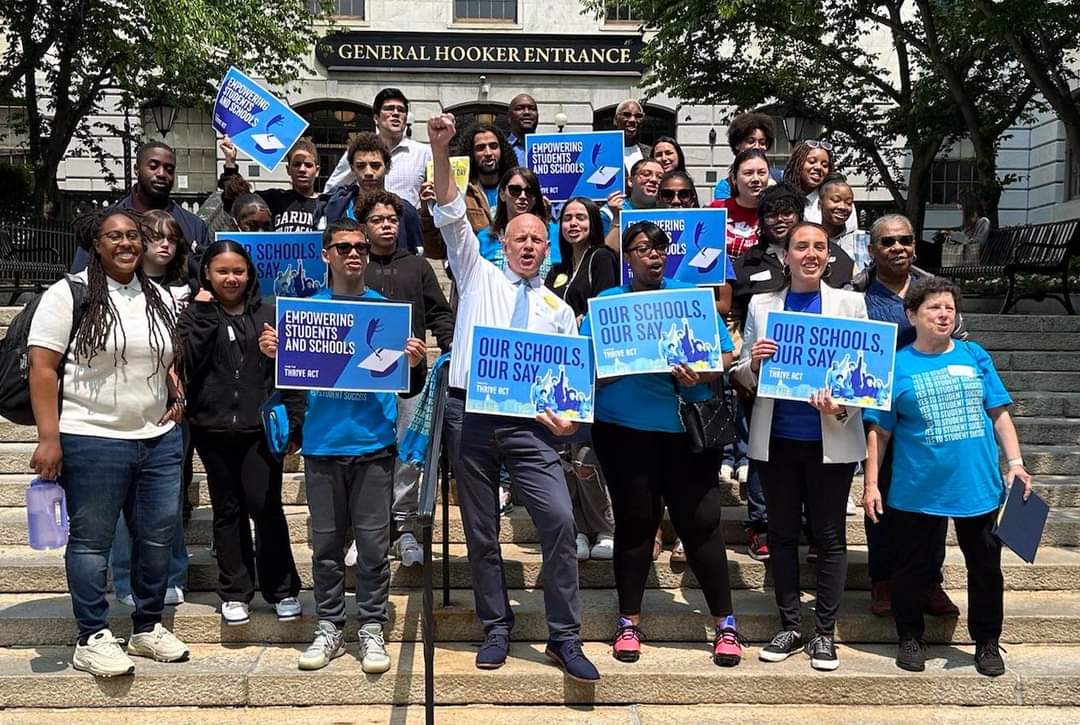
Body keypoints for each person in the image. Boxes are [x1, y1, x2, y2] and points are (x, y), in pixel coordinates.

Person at [429, 112, 600, 683]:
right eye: (518, 236)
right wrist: (440, 147)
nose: (528, 245)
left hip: (531, 427)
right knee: (481, 530)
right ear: (502, 241)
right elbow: (451, 213)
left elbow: (572, 386)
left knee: (555, 519)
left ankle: (564, 636)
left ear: (547, 247)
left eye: (537, 238)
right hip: (470, 418)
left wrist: (569, 423)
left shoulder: (560, 311)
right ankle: (495, 626)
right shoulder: (477, 271)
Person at [258, 218, 426, 673]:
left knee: (373, 548)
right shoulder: (303, 312)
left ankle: (371, 626)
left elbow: (408, 389)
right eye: (344, 246)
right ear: (326, 254)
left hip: (373, 448)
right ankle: (329, 625)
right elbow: (285, 383)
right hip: (322, 448)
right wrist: (273, 355)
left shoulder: (389, 313)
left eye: (361, 248)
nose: (355, 254)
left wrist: (415, 363)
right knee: (326, 549)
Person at [29, 208, 189, 677]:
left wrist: (175, 391)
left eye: (133, 236)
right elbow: (43, 368)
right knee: (92, 543)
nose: (126, 243)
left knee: (158, 537)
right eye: (113, 236)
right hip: (92, 436)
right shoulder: (69, 294)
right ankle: (92, 636)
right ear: (96, 244)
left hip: (157, 439)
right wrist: (48, 438)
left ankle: (146, 627)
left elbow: (162, 354)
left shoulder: (157, 294)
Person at [581, 220, 742, 667]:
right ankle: (628, 620)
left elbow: (725, 355)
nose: (653, 255)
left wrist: (705, 372)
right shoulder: (608, 306)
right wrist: (609, 370)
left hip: (686, 433)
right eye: (642, 248)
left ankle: (725, 623)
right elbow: (584, 365)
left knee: (701, 523)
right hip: (624, 432)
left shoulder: (690, 299)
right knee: (635, 524)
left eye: (659, 248)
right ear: (626, 257)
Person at [863, 277, 1030, 677]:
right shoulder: (896, 365)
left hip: (978, 486)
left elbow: (1000, 414)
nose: (943, 314)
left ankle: (987, 642)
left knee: (986, 568)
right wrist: (871, 483)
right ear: (912, 315)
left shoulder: (975, 355)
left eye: (950, 308)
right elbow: (879, 431)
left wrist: (1017, 463)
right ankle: (910, 636)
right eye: (934, 308)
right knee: (910, 568)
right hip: (915, 488)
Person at [733, 221, 868, 672]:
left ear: (829, 255)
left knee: (829, 537)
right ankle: (791, 624)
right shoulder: (761, 304)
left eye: (819, 247)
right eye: (801, 247)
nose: (810, 253)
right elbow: (744, 377)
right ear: (785, 255)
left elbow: (864, 374)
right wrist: (752, 362)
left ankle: (824, 633)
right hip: (778, 439)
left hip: (830, 438)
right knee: (783, 535)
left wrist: (841, 405)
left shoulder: (851, 303)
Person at [180, 240, 303, 626]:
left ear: (250, 274)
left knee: (266, 507)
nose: (231, 278)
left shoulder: (271, 313)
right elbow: (186, 362)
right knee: (226, 510)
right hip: (211, 428)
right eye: (222, 271)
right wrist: (201, 313)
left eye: (238, 271)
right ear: (207, 275)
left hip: (259, 428)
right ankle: (235, 591)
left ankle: (282, 589)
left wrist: (278, 357)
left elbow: (294, 376)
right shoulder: (195, 314)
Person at [849, 214, 964, 618]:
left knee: (931, 499)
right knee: (880, 497)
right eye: (888, 241)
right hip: (879, 414)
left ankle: (930, 582)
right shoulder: (857, 297)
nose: (898, 247)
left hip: (930, 411)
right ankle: (883, 580)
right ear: (872, 249)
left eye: (906, 240)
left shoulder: (934, 291)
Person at [360, 189, 455, 566]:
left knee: (407, 457)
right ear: (363, 225)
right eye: (378, 220)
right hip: (361, 383)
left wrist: (448, 351)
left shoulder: (418, 267)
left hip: (410, 379)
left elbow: (441, 314)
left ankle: (404, 529)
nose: (386, 226)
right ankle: (367, 530)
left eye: (392, 220)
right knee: (367, 455)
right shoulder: (354, 265)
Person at [110, 210, 194, 609]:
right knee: (123, 504)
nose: (163, 245)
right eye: (155, 237)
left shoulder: (189, 289)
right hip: (119, 409)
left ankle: (174, 573)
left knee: (167, 501)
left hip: (171, 407)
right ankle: (125, 577)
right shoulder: (111, 289)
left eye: (171, 239)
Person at [544, 197, 618, 561]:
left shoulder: (602, 258)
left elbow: (605, 308)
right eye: (567, 218)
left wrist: (581, 321)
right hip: (559, 370)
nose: (573, 223)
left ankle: (604, 527)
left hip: (591, 370)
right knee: (563, 456)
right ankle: (575, 530)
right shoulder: (555, 269)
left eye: (581, 217)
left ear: (593, 221)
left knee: (587, 456)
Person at [70, 141, 210, 274]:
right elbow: (79, 278)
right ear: (137, 169)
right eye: (153, 166)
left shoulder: (194, 226)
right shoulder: (104, 223)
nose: (161, 174)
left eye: (169, 169)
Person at [314, 132, 422, 254]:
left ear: (387, 167)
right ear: (352, 168)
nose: (368, 172)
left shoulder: (405, 211)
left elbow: (416, 259)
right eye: (361, 166)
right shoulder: (335, 208)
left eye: (375, 165)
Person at [419, 124, 515, 257]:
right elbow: (436, 251)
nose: (488, 153)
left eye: (493, 146)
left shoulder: (518, 191)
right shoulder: (459, 193)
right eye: (480, 148)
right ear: (471, 153)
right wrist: (427, 212)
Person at [325, 88, 431, 208]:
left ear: (406, 119)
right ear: (376, 118)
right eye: (389, 109)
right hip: (368, 223)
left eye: (401, 110)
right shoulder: (359, 151)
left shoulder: (423, 153)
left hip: (409, 223)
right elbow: (332, 190)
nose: (396, 113)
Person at [218, 137, 320, 231]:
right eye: (296, 164)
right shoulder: (274, 198)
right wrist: (230, 162)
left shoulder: (327, 205)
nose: (302, 169)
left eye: (308, 165)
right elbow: (238, 199)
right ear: (288, 169)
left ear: (317, 170)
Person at [783, 140, 857, 235]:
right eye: (812, 162)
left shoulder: (842, 201)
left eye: (824, 165)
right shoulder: (784, 198)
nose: (818, 167)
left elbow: (849, 237)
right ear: (798, 164)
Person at [710, 148, 770, 258]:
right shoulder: (715, 210)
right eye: (748, 173)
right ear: (734, 179)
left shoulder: (774, 214)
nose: (756, 179)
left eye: (762, 173)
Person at [712, 112, 782, 201]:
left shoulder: (780, 178)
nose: (757, 146)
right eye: (750, 141)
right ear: (737, 144)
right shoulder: (725, 187)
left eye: (762, 143)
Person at [602, 158, 663, 249]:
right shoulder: (608, 212)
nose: (654, 180)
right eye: (646, 174)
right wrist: (617, 219)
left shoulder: (668, 211)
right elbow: (605, 255)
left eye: (660, 177)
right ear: (630, 181)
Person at [818, 174, 871, 272]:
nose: (843, 207)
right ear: (819, 204)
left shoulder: (865, 241)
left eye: (848, 202)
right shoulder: (809, 239)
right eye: (836, 200)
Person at [615, 99, 652, 174]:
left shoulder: (651, 153)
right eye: (626, 115)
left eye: (638, 116)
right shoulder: (603, 152)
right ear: (616, 119)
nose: (632, 120)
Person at [506, 93, 539, 166]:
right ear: (509, 117)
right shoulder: (501, 149)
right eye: (519, 108)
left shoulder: (546, 149)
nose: (527, 112)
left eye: (532, 109)